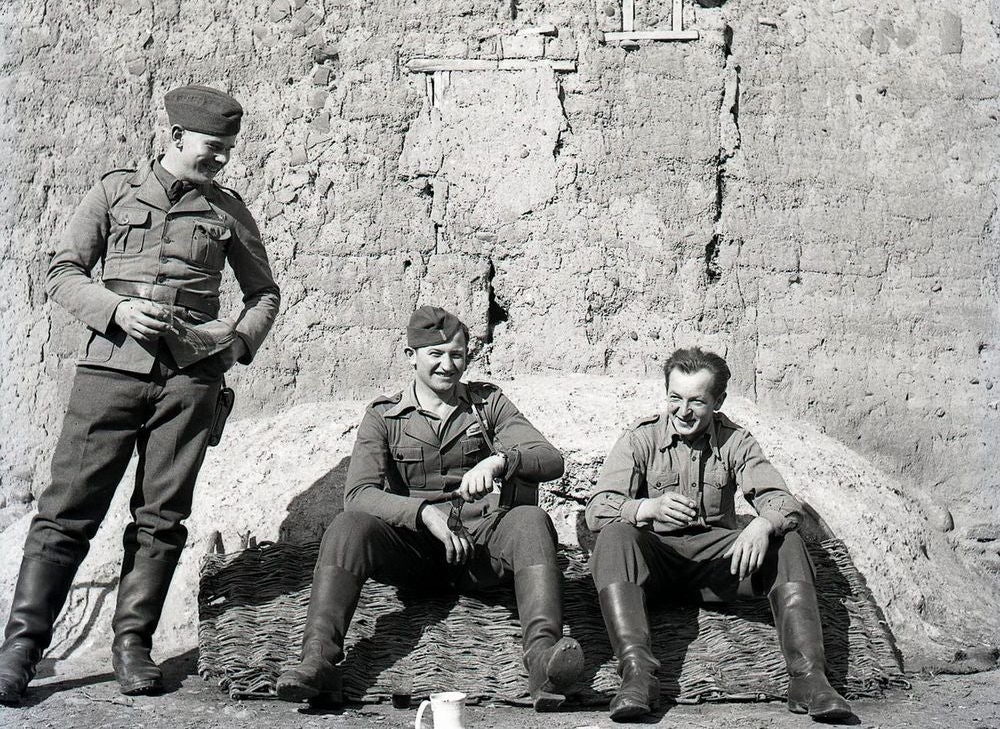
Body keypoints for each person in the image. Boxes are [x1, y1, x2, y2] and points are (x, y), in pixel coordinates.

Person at [0, 85, 280, 705]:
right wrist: (119, 309)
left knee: (161, 516)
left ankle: (133, 647)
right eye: (212, 148)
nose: (221, 161)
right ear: (177, 137)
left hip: (189, 380)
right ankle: (21, 648)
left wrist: (233, 348)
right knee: (67, 509)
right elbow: (62, 271)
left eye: (229, 150)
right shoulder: (113, 192)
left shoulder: (228, 211)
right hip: (110, 372)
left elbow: (264, 294)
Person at [276, 305, 584, 711]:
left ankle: (544, 661)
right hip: (414, 552)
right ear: (411, 357)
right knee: (347, 526)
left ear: (468, 357)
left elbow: (549, 458)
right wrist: (421, 514)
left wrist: (499, 461)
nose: (446, 365)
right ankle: (318, 660)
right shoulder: (384, 416)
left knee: (531, 520)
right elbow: (359, 493)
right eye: (435, 355)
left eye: (456, 355)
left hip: (482, 551)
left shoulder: (487, 404)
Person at [585, 346, 853, 723]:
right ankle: (637, 676)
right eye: (675, 398)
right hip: (655, 565)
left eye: (696, 401)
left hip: (719, 569)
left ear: (718, 401)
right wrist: (647, 508)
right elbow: (597, 509)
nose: (683, 411)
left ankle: (809, 680)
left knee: (788, 542)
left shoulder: (736, 441)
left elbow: (784, 502)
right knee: (614, 537)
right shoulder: (640, 438)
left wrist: (762, 524)